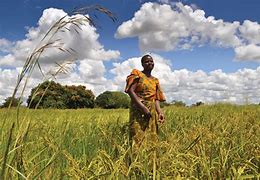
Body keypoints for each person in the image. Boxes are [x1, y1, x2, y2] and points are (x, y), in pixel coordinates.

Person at [125, 54, 166, 152]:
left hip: (151, 110)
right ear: (142, 64)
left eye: (151, 61)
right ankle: (135, 162)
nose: (150, 63)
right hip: (138, 108)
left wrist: (159, 112)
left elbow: (155, 98)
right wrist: (143, 108)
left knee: (151, 136)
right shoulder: (137, 74)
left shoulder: (155, 80)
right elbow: (131, 91)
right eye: (147, 61)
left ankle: (150, 161)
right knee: (137, 135)